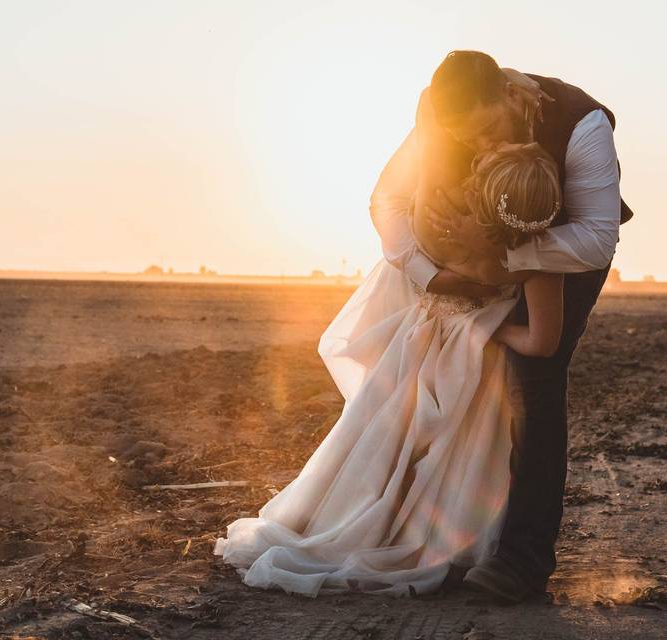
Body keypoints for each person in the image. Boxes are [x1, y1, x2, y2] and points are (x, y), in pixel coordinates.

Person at [213, 141, 567, 598]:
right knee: (451, 458)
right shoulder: (540, 262)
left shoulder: (443, 227)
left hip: (416, 345)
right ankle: (436, 541)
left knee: (389, 442)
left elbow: (398, 253)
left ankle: (358, 521)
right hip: (474, 365)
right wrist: (489, 329)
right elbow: (543, 342)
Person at [370, 50, 631, 603]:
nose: (481, 149)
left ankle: (522, 560)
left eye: (488, 131)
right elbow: (388, 198)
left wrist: (503, 253)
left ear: (511, 96)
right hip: (458, 262)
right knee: (441, 377)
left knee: (534, 373)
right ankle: (425, 531)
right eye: (466, 141)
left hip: (561, 248)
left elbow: (596, 237)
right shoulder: (436, 120)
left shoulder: (581, 125)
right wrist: (431, 273)